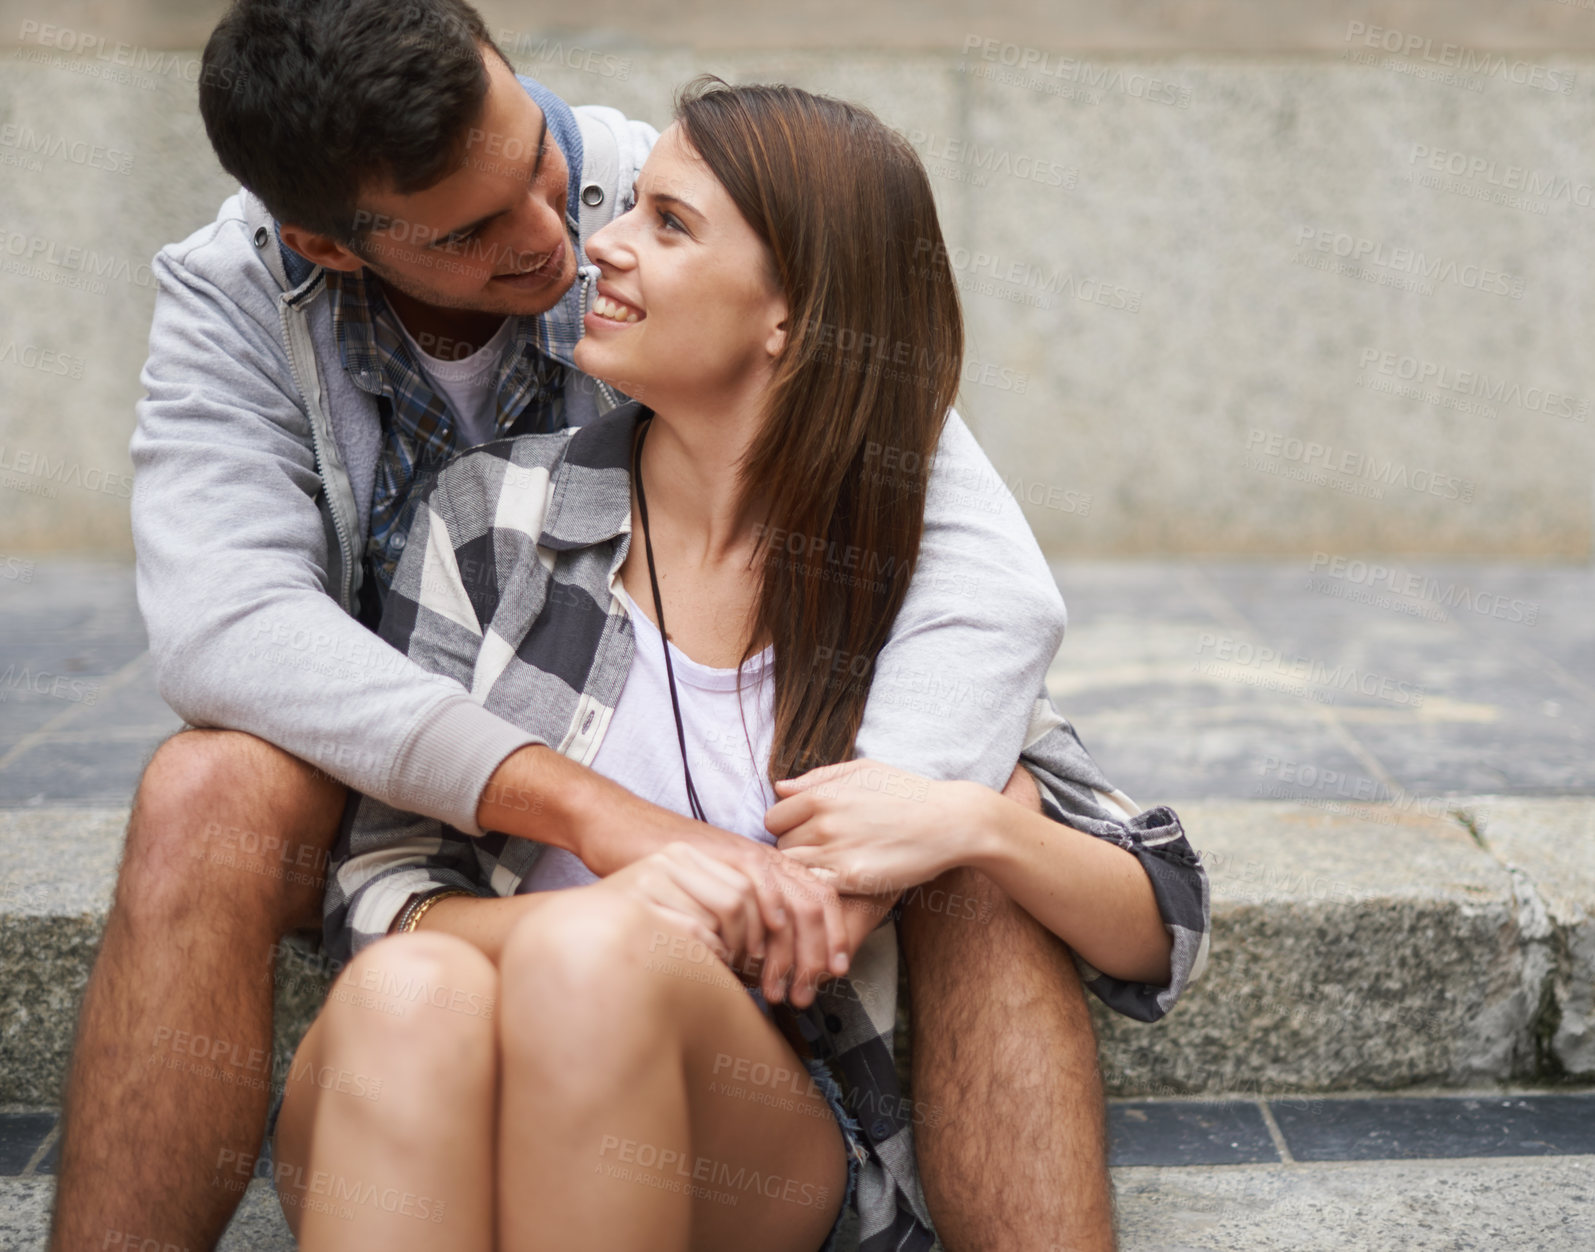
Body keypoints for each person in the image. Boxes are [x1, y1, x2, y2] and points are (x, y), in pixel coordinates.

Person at [47, 3, 1207, 1249]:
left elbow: (978, 573)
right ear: (328, 243)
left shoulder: (860, 535)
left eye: (545, 164)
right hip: (413, 801)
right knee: (342, 922)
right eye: (479, 227)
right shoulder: (467, 505)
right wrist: (610, 841)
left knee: (982, 823)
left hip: (739, 1061)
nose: (570, 238)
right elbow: (229, 634)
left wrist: (870, 857)